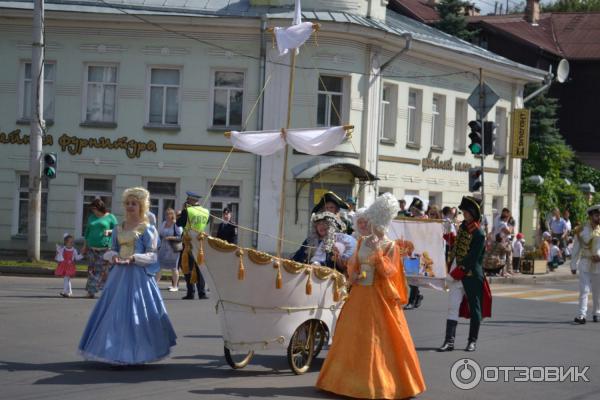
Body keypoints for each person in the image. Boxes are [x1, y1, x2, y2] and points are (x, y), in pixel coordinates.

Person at [316, 193, 426, 399]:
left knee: (378, 340)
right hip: (359, 295)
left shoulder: (390, 246)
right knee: (351, 337)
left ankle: (380, 384)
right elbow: (353, 264)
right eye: (370, 222)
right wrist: (354, 274)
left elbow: (391, 273)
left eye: (374, 223)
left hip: (379, 296)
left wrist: (378, 257)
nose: (370, 225)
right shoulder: (361, 242)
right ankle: (342, 382)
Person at [78, 187, 176, 364]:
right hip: (119, 275)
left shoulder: (148, 229)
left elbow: (153, 255)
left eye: (134, 204)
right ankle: (115, 352)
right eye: (128, 203)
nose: (130, 207)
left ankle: (138, 353)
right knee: (114, 313)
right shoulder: (119, 227)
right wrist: (113, 256)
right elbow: (112, 249)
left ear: (142, 206)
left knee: (137, 313)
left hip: (139, 276)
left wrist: (134, 258)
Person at [438, 196, 489, 352]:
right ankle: (449, 342)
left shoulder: (479, 234)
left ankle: (472, 341)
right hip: (455, 273)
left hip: (471, 276)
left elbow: (472, 259)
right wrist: (446, 235)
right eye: (463, 211)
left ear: (473, 212)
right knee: (452, 307)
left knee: (475, 309)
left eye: (466, 211)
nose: (464, 214)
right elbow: (458, 248)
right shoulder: (462, 228)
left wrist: (454, 274)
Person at [81, 198, 118, 299]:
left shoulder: (110, 217)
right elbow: (87, 232)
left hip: (105, 249)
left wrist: (106, 233)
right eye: (92, 210)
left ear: (100, 208)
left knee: (103, 270)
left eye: (95, 209)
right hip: (91, 249)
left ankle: (105, 291)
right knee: (91, 270)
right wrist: (84, 246)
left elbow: (116, 232)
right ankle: (90, 291)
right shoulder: (91, 217)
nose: (94, 212)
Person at [570, 204, 600, 324]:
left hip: (599, 265)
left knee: (598, 291)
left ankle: (597, 313)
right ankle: (582, 315)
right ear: (590, 216)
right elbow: (576, 249)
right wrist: (573, 265)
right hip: (585, 263)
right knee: (584, 290)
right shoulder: (581, 230)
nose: (599, 218)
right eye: (597, 215)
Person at [177, 191, 210, 300]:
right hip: (200, 242)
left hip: (188, 242)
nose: (187, 201)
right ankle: (202, 293)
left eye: (188, 200)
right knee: (200, 268)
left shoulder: (188, 211)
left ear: (191, 200)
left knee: (187, 266)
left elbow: (179, 223)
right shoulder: (206, 211)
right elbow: (208, 222)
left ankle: (190, 292)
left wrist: (183, 211)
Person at [405, 196, 426, 310]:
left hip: (420, 251)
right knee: (410, 277)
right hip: (410, 250)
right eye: (412, 209)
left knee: (414, 277)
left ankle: (412, 300)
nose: (412, 211)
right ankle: (418, 296)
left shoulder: (425, 219)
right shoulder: (410, 219)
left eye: (414, 209)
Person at [157, 207, 182, 291]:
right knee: (159, 266)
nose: (167, 216)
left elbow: (180, 237)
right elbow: (159, 233)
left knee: (173, 268)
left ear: (173, 215)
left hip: (173, 249)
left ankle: (175, 286)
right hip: (163, 247)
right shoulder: (164, 223)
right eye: (166, 214)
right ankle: (155, 284)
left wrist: (170, 237)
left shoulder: (176, 224)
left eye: (169, 214)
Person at [55, 233, 84, 298]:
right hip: (64, 266)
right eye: (70, 242)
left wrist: (82, 254)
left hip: (70, 267)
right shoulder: (63, 249)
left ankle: (65, 291)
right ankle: (69, 291)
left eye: (72, 242)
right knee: (67, 279)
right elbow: (59, 256)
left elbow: (77, 258)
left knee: (66, 278)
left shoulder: (74, 250)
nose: (71, 243)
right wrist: (57, 253)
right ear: (66, 242)